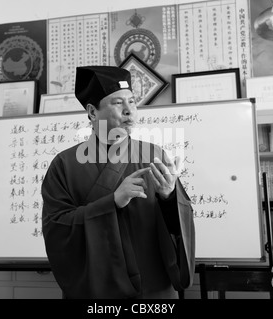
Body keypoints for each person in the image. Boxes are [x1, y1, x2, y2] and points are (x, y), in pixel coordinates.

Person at [41, 65, 195, 299]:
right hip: (95, 290)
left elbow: (179, 224)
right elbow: (57, 229)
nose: (129, 111)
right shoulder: (65, 164)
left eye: (132, 102)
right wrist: (112, 202)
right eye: (117, 103)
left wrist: (168, 197)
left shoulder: (154, 155)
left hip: (152, 288)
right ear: (93, 112)